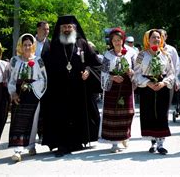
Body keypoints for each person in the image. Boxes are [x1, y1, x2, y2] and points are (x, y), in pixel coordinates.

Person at [40, 15, 102, 157]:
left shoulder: (82, 43)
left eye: (69, 27)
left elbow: (95, 63)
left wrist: (88, 71)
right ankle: (62, 144)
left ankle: (77, 141)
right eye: (64, 27)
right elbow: (45, 66)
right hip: (59, 88)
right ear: (60, 29)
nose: (67, 29)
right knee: (61, 115)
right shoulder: (53, 45)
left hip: (79, 88)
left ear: (74, 28)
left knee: (78, 114)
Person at [134, 29, 175, 155]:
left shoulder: (166, 55)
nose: (156, 40)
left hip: (162, 86)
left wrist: (164, 82)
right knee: (149, 113)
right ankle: (153, 142)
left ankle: (161, 144)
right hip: (147, 87)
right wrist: (148, 83)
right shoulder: (141, 55)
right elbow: (136, 73)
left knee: (162, 114)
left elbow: (172, 73)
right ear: (148, 39)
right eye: (154, 37)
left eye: (158, 37)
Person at [8, 34, 47, 162]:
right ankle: (18, 150)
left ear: (33, 46)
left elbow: (44, 79)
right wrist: (13, 93)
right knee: (18, 121)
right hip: (19, 93)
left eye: (29, 45)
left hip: (34, 93)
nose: (27, 47)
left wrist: (32, 87)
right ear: (20, 46)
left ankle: (31, 145)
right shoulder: (14, 60)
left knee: (33, 120)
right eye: (25, 45)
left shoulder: (38, 60)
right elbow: (11, 80)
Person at [99, 28, 136, 153]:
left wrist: (130, 72)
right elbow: (103, 72)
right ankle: (114, 143)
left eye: (119, 40)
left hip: (126, 86)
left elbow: (136, 70)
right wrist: (112, 77)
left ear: (123, 40)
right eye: (114, 40)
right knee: (113, 114)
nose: (117, 42)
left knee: (127, 112)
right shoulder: (108, 55)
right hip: (112, 88)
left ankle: (125, 136)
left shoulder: (130, 53)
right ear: (111, 42)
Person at [159, 29, 180, 113]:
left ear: (166, 37)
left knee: (166, 106)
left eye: (162, 36)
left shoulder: (171, 50)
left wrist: (176, 81)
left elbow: (177, 66)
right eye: (158, 37)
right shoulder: (151, 50)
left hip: (168, 80)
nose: (160, 39)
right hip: (155, 81)